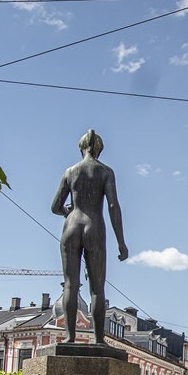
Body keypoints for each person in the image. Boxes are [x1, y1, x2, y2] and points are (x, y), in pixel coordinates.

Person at [51, 128, 130, 346]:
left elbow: (55, 206)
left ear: (81, 148)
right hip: (95, 226)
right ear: (99, 149)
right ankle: (98, 339)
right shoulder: (106, 172)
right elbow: (113, 206)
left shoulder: (70, 171)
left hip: (71, 226)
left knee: (70, 285)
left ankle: (69, 337)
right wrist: (121, 242)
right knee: (97, 288)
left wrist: (68, 211)